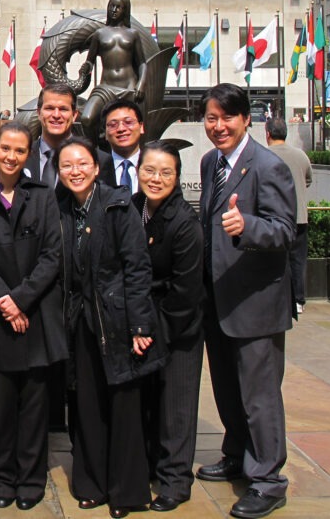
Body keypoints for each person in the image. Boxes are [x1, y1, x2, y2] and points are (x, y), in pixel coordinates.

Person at [0, 121, 66, 511]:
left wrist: (21, 300)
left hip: (34, 313)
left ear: (29, 153)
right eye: (6, 148)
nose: (12, 156)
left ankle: (32, 477)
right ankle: (3, 476)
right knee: (0, 406)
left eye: (20, 151)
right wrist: (4, 300)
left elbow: (53, 255)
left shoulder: (42, 196)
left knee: (35, 404)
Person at [197, 84, 296, 519]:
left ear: (246, 120)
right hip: (218, 300)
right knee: (227, 389)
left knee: (260, 396)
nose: (218, 127)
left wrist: (248, 225)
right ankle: (237, 453)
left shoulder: (268, 166)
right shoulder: (209, 162)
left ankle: (269, 480)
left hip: (256, 303)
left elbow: (284, 231)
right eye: (211, 118)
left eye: (227, 118)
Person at [55, 136, 162, 518]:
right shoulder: (61, 208)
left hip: (117, 322)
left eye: (82, 163)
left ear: (97, 167)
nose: (75, 171)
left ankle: (128, 492)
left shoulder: (118, 205)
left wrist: (140, 325)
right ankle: (90, 483)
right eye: (67, 165)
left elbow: (137, 268)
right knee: (85, 406)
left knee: (123, 406)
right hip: (79, 322)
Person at [132, 141, 205, 512]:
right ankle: (149, 467)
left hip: (177, 327)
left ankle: (176, 480)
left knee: (176, 406)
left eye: (165, 172)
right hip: (141, 322)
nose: (155, 178)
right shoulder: (133, 208)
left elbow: (186, 291)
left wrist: (151, 330)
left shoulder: (185, 223)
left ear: (177, 178)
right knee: (147, 402)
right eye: (149, 170)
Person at [79, 0, 150, 133]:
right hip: (105, 87)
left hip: (128, 87)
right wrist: (86, 67)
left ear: (125, 10)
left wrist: (141, 83)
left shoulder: (133, 34)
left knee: (129, 126)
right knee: (86, 118)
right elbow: (90, 61)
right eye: (112, 6)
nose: (114, 10)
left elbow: (142, 63)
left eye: (119, 7)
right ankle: (93, 152)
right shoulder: (99, 34)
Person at [265, 118, 313, 317]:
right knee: (298, 260)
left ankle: (276, 299)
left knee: (274, 260)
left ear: (268, 134)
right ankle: (298, 300)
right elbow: (308, 179)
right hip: (299, 216)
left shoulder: (265, 156)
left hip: (274, 218)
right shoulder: (301, 155)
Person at [27, 82, 110, 189]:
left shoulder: (100, 160)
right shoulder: (22, 157)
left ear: (74, 115)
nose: (56, 115)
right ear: (39, 113)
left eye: (63, 109)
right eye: (49, 108)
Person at [99, 99, 145, 193]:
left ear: (141, 127)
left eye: (128, 122)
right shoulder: (97, 169)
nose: (121, 129)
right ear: (105, 134)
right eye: (113, 125)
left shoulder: (154, 164)